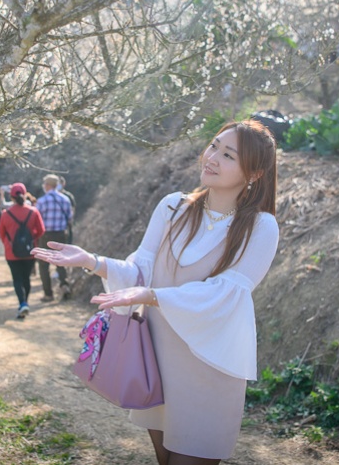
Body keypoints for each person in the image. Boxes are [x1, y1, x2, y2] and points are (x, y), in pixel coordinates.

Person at [33, 120, 280, 464]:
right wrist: (93, 261)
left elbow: (226, 294)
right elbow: (140, 271)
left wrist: (153, 296)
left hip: (210, 366)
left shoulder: (260, 226)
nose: (212, 157)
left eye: (228, 155)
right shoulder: (171, 207)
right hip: (157, 358)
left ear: (253, 173)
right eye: (213, 145)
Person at [0, 182, 46, 320]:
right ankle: (25, 301)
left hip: (11, 252)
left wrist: (9, 244)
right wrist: (32, 240)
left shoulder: (6, 214)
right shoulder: (33, 211)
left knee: (17, 279)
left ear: (11, 197)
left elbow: (1, 233)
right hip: (29, 251)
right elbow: (41, 230)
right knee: (26, 278)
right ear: (25, 195)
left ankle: (22, 302)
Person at [35, 174, 74, 301]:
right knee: (61, 262)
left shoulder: (42, 201)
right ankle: (64, 284)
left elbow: (37, 220)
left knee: (44, 265)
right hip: (61, 234)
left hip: (46, 235)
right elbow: (70, 218)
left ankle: (48, 294)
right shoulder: (65, 200)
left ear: (47, 186)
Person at [58, 175, 76, 244]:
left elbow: (73, 209)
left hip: (67, 225)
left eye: (60, 183)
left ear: (63, 184)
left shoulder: (68, 196)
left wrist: (70, 221)